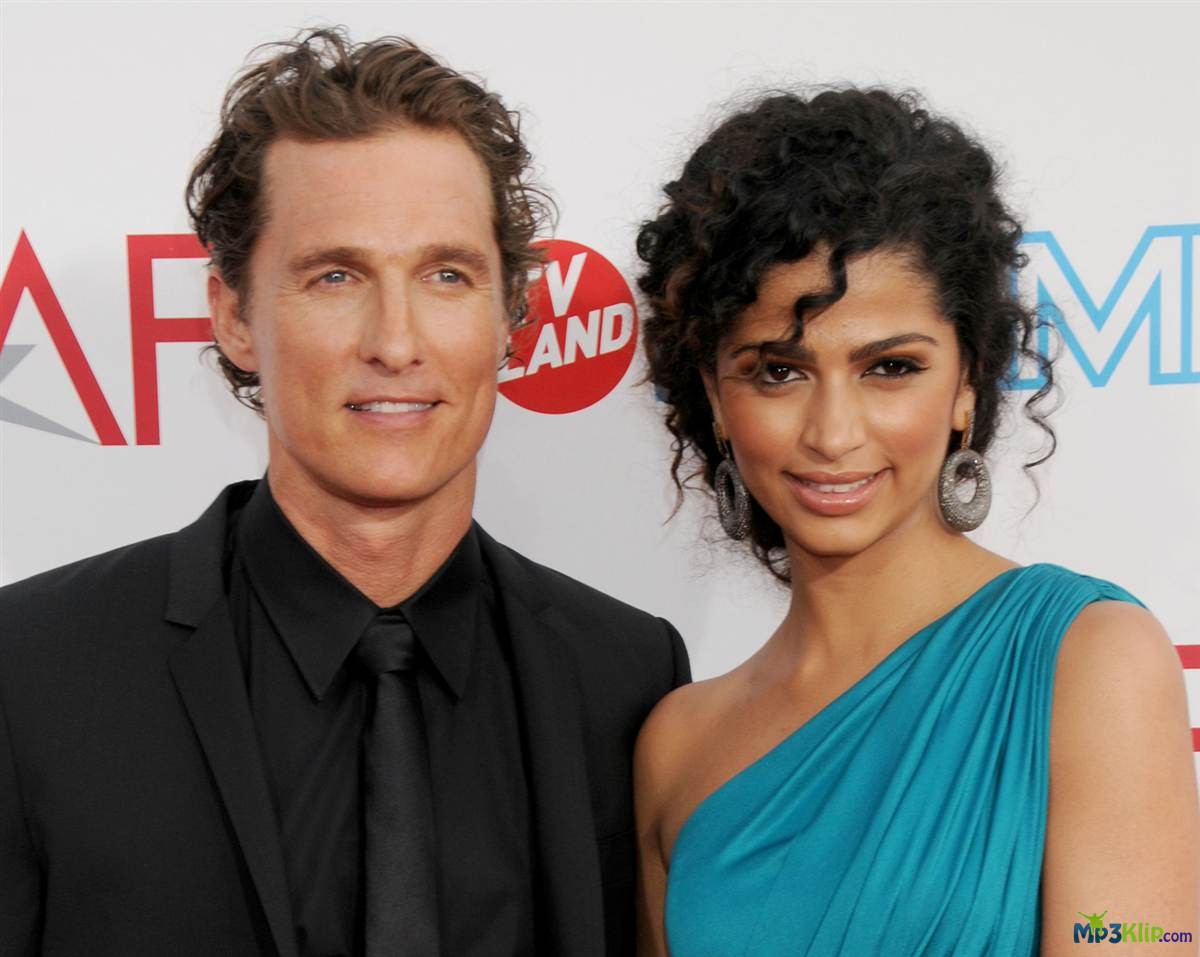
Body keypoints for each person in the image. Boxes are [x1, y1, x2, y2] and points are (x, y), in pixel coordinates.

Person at [0, 28, 689, 957]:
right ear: (234, 316)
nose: (395, 342)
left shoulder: (627, 677)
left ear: (510, 316)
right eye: (335, 276)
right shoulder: (30, 674)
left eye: (446, 275)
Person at [632, 88, 1198, 956]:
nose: (833, 434)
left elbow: (1144, 938)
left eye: (890, 367)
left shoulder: (1089, 656)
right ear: (714, 394)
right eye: (778, 371)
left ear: (968, 383)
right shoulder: (677, 745)